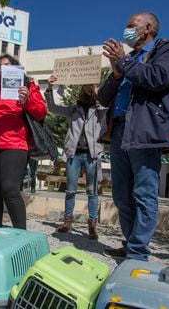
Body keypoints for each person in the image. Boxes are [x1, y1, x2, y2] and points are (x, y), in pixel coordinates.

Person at [99, 13, 169, 260]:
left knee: (143, 192)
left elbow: (158, 78)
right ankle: (130, 242)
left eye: (130, 26)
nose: (126, 30)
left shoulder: (165, 49)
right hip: (119, 132)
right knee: (121, 195)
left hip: (144, 132)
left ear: (147, 28)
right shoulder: (128, 60)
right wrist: (116, 74)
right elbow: (104, 98)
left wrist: (124, 63)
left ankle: (137, 251)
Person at [0, 54, 47, 229]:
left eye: (7, 65)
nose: (3, 68)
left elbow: (41, 111)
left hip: (15, 143)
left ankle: (21, 233)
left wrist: (26, 101)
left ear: (15, 68)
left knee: (10, 189)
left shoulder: (28, 85)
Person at [46, 78, 108, 240]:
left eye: (91, 88)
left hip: (92, 155)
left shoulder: (100, 109)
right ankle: (68, 221)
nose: (88, 91)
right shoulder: (74, 110)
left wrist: (99, 93)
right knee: (70, 190)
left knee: (92, 191)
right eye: (86, 89)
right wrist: (49, 87)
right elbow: (52, 107)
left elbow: (108, 107)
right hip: (74, 154)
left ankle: (92, 225)